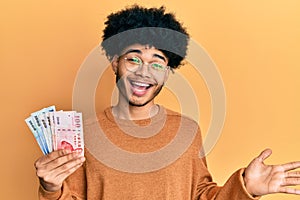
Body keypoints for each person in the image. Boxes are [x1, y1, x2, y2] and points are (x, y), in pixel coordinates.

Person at [34, 5, 300, 200]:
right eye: (133, 59)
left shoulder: (186, 130)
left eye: (157, 63)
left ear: (167, 72)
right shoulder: (84, 134)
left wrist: (245, 187)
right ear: (115, 62)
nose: (143, 72)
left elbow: (202, 196)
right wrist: (51, 189)